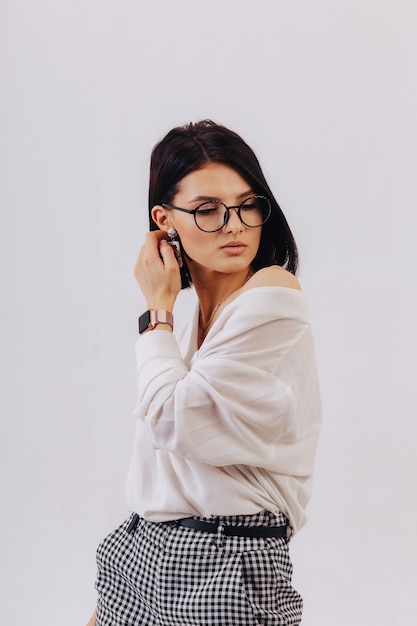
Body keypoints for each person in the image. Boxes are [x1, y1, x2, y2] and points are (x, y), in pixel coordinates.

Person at [88, 120, 321, 626]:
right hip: (141, 551)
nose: (234, 224)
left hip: (227, 560)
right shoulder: (190, 320)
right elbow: (159, 460)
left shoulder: (273, 296)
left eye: (246, 204)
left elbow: (172, 420)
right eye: (207, 210)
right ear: (164, 220)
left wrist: (156, 311)